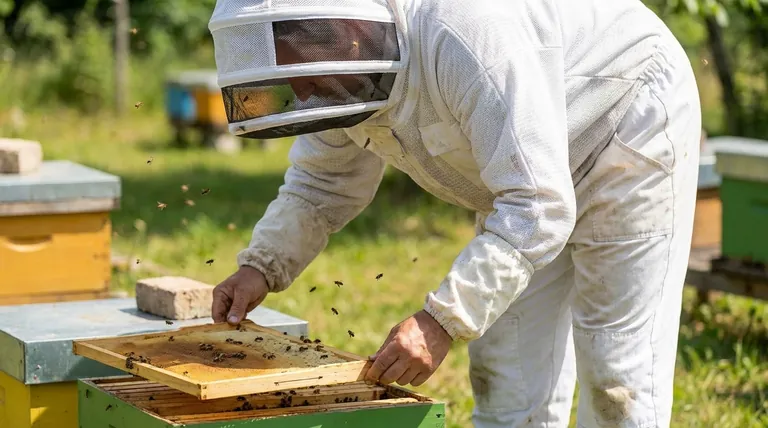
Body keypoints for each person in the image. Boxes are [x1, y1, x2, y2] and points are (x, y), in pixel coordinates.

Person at [207, 0, 702, 426]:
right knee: (507, 369)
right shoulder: (336, 79)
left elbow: (537, 206)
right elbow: (323, 182)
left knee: (616, 373)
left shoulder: (460, 34)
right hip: (526, 179)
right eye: (294, 79)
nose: (306, 92)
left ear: (349, 33)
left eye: (308, 74)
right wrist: (261, 266)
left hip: (623, 123)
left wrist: (441, 320)